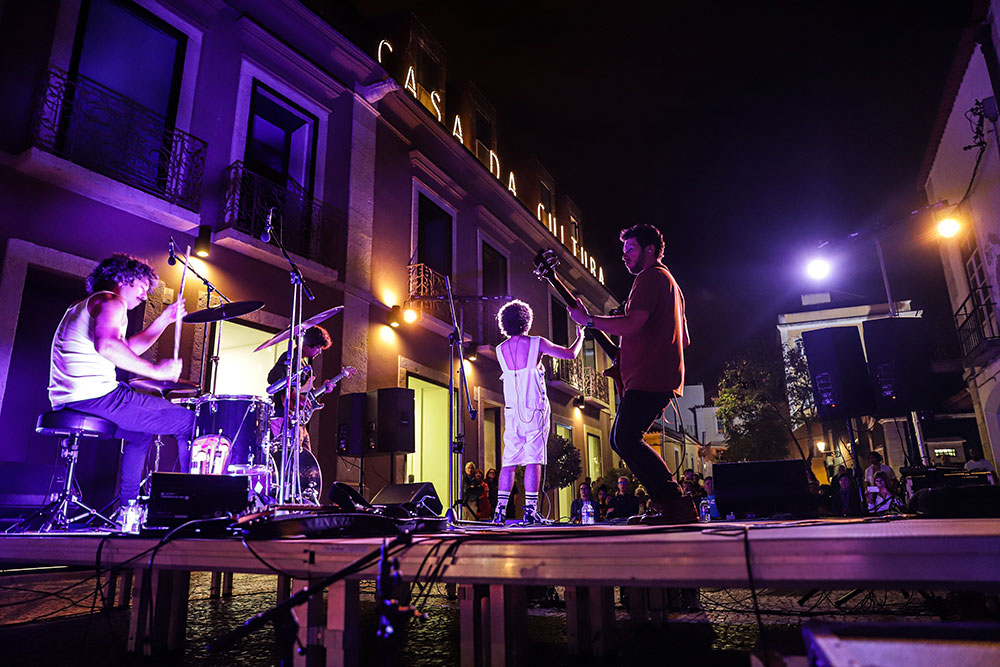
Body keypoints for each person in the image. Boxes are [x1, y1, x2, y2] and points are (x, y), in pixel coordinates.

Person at [48, 253, 195, 510]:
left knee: (139, 437)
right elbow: (107, 345)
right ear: (123, 278)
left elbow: (126, 347)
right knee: (190, 423)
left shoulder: (84, 305)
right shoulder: (111, 300)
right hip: (97, 398)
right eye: (141, 287)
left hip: (69, 401)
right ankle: (189, 504)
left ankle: (128, 509)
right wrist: (156, 371)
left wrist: (163, 320)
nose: (144, 296)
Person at [568, 224, 689, 522]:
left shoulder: (650, 278)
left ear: (650, 250)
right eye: (623, 251)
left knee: (624, 437)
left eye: (630, 249)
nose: (624, 256)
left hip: (650, 375)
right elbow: (684, 338)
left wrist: (589, 320)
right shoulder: (671, 283)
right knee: (623, 438)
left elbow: (633, 324)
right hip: (657, 374)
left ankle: (674, 504)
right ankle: (670, 505)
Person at [492, 299, 583, 524]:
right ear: (526, 321)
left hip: (512, 410)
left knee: (509, 461)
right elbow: (570, 354)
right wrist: (580, 337)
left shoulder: (499, 349)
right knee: (534, 458)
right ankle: (530, 511)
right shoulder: (536, 342)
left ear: (505, 323)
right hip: (534, 407)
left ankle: (499, 511)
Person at [267, 325, 334, 453]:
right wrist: (293, 394)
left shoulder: (305, 365)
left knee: (305, 460)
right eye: (318, 347)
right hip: (284, 417)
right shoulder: (290, 357)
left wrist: (323, 390)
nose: (319, 352)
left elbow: (306, 395)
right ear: (306, 345)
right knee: (289, 458)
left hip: (299, 420)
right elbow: (274, 378)